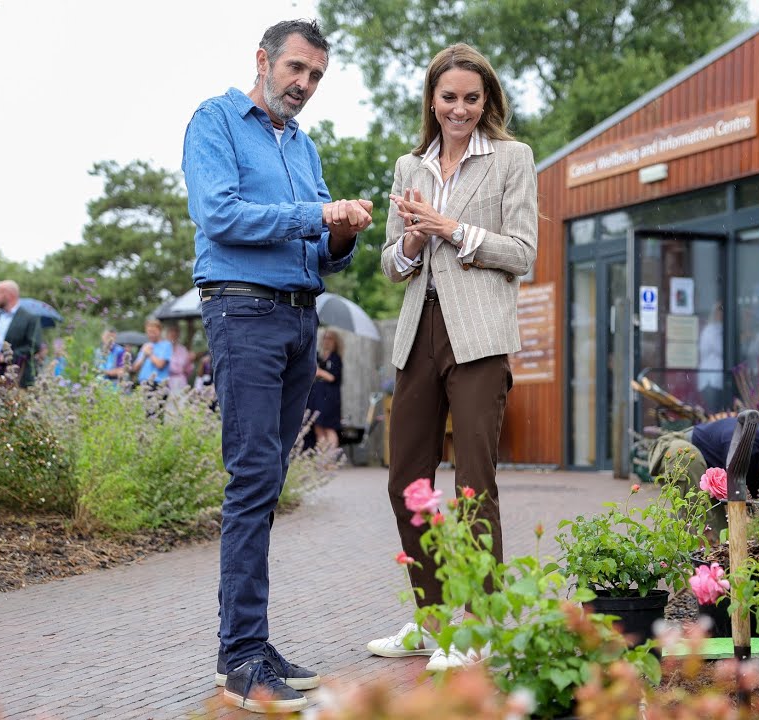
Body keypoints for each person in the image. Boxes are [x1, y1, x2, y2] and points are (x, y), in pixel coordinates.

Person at [181, 18, 373, 714]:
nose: (305, 84)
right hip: (243, 313)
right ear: (262, 60)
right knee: (251, 480)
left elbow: (321, 251)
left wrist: (340, 234)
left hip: (298, 318)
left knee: (267, 483)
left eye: (316, 75)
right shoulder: (215, 122)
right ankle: (240, 657)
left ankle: (251, 645)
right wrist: (316, 213)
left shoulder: (304, 144)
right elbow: (220, 216)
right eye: (296, 68)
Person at [365, 43, 539, 674]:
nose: (459, 109)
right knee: (406, 481)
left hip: (479, 338)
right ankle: (432, 620)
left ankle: (483, 627)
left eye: (471, 97)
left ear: (486, 99)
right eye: (448, 98)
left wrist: (451, 229)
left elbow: (523, 252)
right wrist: (413, 239)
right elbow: (391, 265)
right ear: (432, 101)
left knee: (472, 484)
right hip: (419, 332)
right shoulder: (408, 166)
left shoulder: (512, 159)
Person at [648, 415, 759, 542]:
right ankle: (693, 549)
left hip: (713, 464)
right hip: (680, 447)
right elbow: (736, 503)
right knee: (715, 532)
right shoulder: (745, 447)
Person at [0, 280, 42, 389]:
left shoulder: (30, 319)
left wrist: (7, 357)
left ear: (9, 295)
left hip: (17, 377)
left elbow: (34, 345)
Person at [305, 330, 344, 452]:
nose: (327, 341)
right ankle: (322, 458)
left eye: (330, 338)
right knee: (318, 427)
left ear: (335, 342)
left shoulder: (335, 358)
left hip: (330, 399)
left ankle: (331, 458)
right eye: (325, 338)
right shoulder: (318, 357)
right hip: (317, 398)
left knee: (329, 428)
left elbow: (332, 377)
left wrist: (319, 371)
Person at [131, 318, 173, 411]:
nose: (151, 334)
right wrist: (144, 355)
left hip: (158, 385)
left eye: (154, 331)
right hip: (143, 384)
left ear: (160, 331)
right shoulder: (146, 346)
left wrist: (150, 354)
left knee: (155, 415)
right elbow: (135, 368)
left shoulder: (166, 345)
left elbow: (160, 365)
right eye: (149, 332)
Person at [697, 302, 725, 412]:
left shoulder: (716, 329)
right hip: (711, 380)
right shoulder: (711, 330)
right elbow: (720, 349)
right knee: (714, 411)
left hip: (716, 379)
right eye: (720, 311)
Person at [164, 323, 195, 398]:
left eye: (176, 332)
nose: (173, 334)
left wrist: (190, 360)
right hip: (167, 382)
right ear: (167, 334)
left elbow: (188, 370)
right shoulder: (163, 348)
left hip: (181, 382)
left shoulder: (183, 349)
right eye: (171, 332)